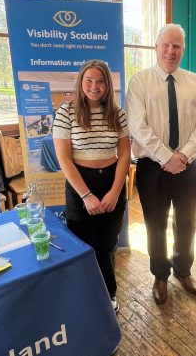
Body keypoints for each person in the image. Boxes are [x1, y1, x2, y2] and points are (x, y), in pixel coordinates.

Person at [126, 23, 196, 304]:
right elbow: (138, 127)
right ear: (156, 46)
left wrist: (183, 156)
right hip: (152, 168)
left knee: (187, 222)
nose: (170, 50)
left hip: (188, 167)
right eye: (166, 44)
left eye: (176, 45)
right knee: (155, 224)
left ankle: (183, 271)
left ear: (183, 50)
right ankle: (160, 275)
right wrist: (166, 157)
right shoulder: (139, 82)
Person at [53, 59, 130, 313]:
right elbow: (64, 158)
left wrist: (116, 190)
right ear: (81, 82)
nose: (94, 86)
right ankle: (86, 295)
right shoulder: (66, 111)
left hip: (111, 180)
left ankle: (108, 294)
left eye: (100, 81)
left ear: (107, 85)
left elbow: (125, 155)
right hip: (80, 183)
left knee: (108, 243)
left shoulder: (117, 113)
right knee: (84, 244)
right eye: (89, 80)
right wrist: (85, 195)